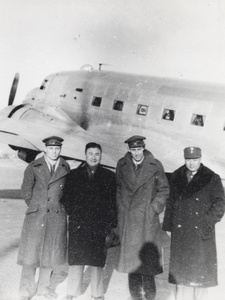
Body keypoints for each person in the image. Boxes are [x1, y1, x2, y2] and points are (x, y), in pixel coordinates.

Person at [162, 147, 225, 300]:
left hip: (201, 233)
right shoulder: (177, 176)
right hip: (181, 231)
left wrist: (206, 222)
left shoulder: (211, 178)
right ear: (184, 159)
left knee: (200, 277)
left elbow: (220, 204)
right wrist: (169, 225)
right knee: (182, 276)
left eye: (195, 160)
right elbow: (170, 202)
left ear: (200, 159)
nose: (191, 163)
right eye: (188, 160)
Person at [116, 135, 170, 300]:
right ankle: (135, 297)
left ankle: (150, 297)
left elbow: (164, 189)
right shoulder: (122, 164)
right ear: (129, 150)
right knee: (132, 265)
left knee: (147, 266)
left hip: (147, 221)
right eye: (133, 150)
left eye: (139, 149)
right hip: (129, 219)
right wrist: (122, 208)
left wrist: (153, 209)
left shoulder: (155, 165)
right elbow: (118, 188)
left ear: (143, 148)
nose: (137, 153)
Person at [62, 142, 117, 300]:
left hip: (99, 225)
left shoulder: (109, 176)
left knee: (97, 261)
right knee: (76, 260)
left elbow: (113, 202)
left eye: (97, 154)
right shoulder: (73, 175)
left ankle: (97, 293)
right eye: (91, 154)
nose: (94, 157)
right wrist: (76, 214)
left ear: (101, 156)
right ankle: (72, 291)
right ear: (85, 155)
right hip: (79, 224)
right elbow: (67, 198)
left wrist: (110, 224)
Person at [17, 136, 70, 300]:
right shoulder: (34, 167)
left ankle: (44, 289)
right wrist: (36, 207)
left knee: (50, 255)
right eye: (51, 148)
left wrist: (60, 209)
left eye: (57, 148)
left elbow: (68, 193)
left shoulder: (65, 167)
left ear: (60, 149)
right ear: (45, 149)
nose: (54, 151)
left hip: (56, 216)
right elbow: (26, 191)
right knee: (30, 255)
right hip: (36, 216)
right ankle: (26, 291)